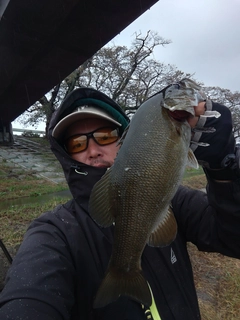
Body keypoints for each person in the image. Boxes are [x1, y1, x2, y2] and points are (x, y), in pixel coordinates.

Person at [0, 85, 239, 320]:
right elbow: (28, 299)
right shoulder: (54, 233)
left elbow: (233, 239)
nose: (93, 150)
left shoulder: (175, 199)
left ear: (126, 139)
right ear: (66, 154)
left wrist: (224, 170)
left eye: (104, 136)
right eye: (77, 143)